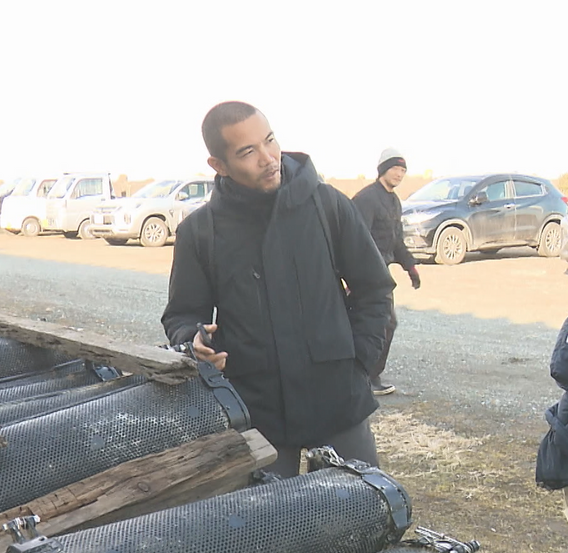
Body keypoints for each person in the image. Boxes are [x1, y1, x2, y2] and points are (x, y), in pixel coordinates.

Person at [161, 101, 395, 478]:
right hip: (257, 411)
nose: (268, 158)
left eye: (270, 140)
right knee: (271, 530)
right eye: (247, 152)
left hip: (339, 402)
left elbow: (375, 289)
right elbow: (182, 314)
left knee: (359, 519)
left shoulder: (328, 205)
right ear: (218, 165)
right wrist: (194, 340)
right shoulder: (200, 232)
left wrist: (359, 364)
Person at [351, 148, 421, 396]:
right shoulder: (367, 199)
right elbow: (355, 239)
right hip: (364, 275)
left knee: (382, 324)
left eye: (403, 170)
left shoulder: (394, 201)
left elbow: (396, 240)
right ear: (383, 169)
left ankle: (367, 376)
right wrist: (351, 276)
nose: (400, 174)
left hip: (382, 274)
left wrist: (410, 266)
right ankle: (367, 377)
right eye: (395, 168)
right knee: (382, 323)